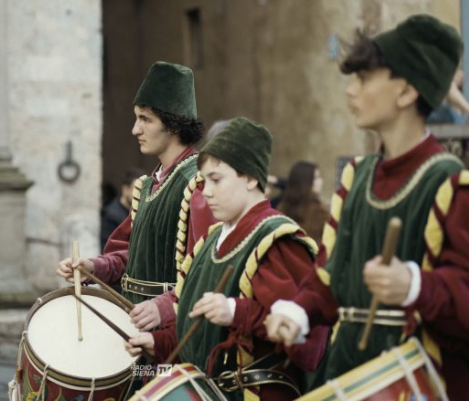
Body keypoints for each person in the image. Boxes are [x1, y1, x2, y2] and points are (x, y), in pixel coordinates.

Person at [264, 14, 469, 398]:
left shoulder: (450, 183)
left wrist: (415, 285)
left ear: (405, 92)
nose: (350, 91)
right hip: (346, 371)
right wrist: (299, 310)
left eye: (363, 78)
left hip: (415, 382)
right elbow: (328, 279)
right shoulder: (356, 179)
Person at [125, 117, 329, 400]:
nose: (206, 191)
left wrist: (236, 311)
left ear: (250, 178)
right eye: (204, 180)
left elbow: (307, 341)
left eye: (216, 179)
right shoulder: (210, 242)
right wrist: (157, 342)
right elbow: (197, 332)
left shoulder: (276, 241)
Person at [57, 60, 214, 311]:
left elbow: (204, 275)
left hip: (172, 326)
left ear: (173, 124)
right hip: (135, 320)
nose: (135, 130)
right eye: (136, 118)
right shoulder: (147, 186)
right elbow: (134, 257)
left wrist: (163, 311)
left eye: (145, 119)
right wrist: (94, 267)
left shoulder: (197, 183)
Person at [277, 161, 329, 243]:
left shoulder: (281, 208)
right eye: (316, 178)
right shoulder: (320, 212)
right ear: (305, 182)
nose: (321, 181)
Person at [100, 167, 144, 249]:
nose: (141, 195)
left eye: (144, 191)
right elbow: (108, 249)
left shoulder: (141, 212)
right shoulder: (110, 216)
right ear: (125, 189)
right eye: (138, 190)